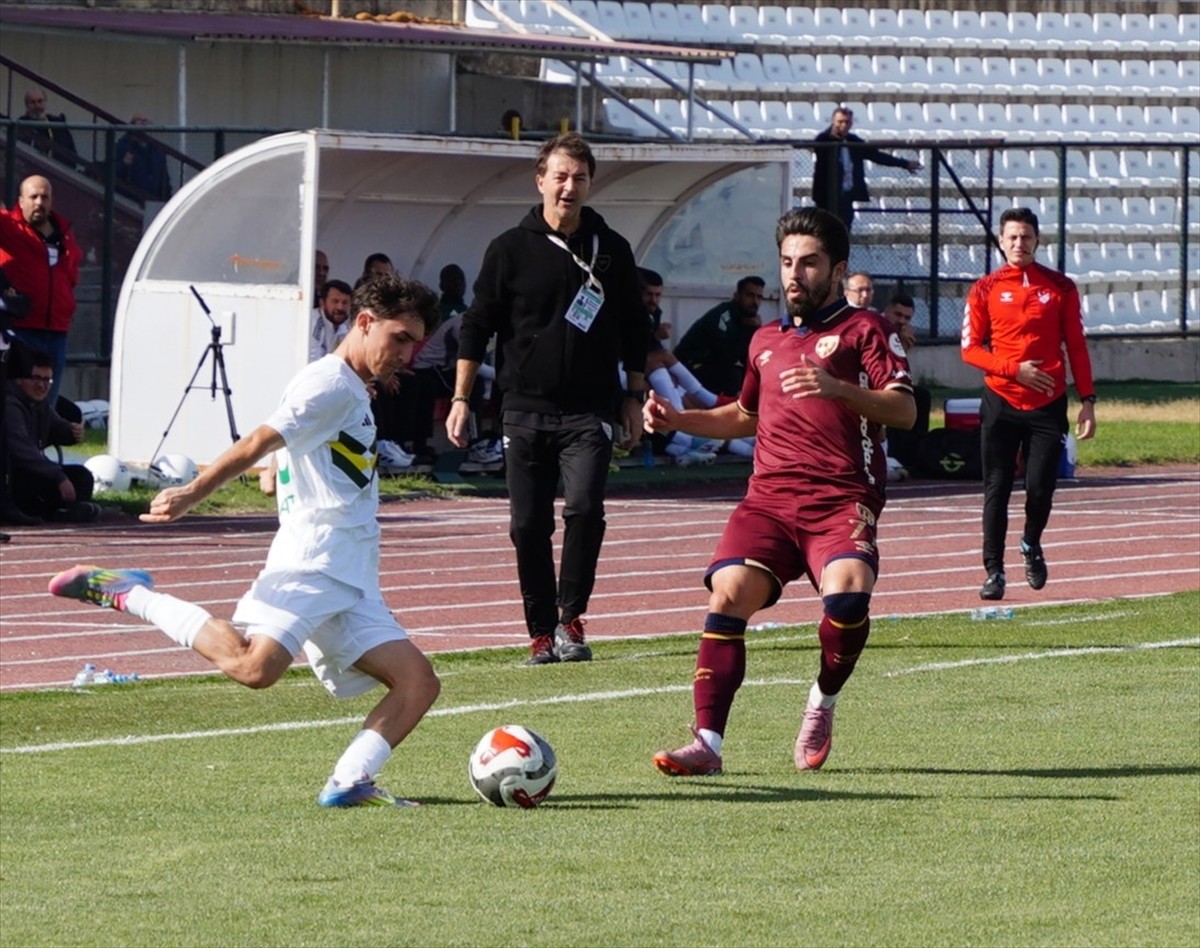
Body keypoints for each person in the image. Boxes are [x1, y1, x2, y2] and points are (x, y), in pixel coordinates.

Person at [49, 274, 443, 808]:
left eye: (414, 343)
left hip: (351, 571)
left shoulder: (348, 386)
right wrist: (191, 491)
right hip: (313, 560)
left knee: (417, 682)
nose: (407, 353)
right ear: (365, 322)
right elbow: (261, 439)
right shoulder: (328, 383)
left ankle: (349, 781)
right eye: (400, 338)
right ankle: (127, 593)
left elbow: (300, 451)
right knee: (254, 668)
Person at [645, 207, 916, 777]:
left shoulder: (866, 330)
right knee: (727, 594)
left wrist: (837, 388)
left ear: (837, 270)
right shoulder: (764, 340)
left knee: (847, 599)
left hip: (842, 498)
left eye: (810, 264)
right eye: (788, 263)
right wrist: (677, 420)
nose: (795, 275)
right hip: (767, 501)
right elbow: (744, 416)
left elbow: (906, 410)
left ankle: (822, 702)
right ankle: (708, 744)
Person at [447, 132, 647, 665]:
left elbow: (635, 329)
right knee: (527, 525)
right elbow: (477, 325)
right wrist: (461, 398)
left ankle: (571, 619)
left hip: (590, 409)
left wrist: (634, 396)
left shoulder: (613, 250)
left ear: (589, 184)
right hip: (523, 409)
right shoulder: (509, 249)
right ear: (540, 181)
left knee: (584, 509)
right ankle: (539, 630)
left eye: (579, 177)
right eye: (559, 176)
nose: (568, 187)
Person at [962, 207, 1097, 602]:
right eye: (1012, 237)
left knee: (1040, 489)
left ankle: (1031, 543)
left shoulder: (1060, 287)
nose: (1019, 243)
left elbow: (1076, 345)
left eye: (1026, 237)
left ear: (1037, 241)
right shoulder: (984, 288)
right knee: (996, 488)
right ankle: (993, 571)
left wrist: (1087, 400)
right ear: (1001, 242)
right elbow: (970, 350)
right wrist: (1012, 370)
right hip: (1001, 400)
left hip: (1048, 404)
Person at [0, 175, 82, 407]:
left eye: (44, 197)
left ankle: (38, 444)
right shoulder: (9, 227)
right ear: (21, 201)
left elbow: (71, 273)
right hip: (21, 330)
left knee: (46, 404)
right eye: (33, 196)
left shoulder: (65, 234)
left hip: (56, 332)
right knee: (17, 402)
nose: (39, 202)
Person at [5, 352, 98, 523]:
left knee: (82, 476)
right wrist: (58, 476)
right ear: (19, 379)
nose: (42, 385)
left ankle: (62, 510)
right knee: (39, 480)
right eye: (35, 378)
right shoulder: (10, 405)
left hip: (33, 470)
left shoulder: (40, 404)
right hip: (13, 475)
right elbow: (20, 449)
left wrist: (71, 432)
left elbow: (58, 427)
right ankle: (54, 511)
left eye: (47, 380)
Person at [812, 106, 921, 232]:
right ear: (833, 122)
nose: (843, 125)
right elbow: (820, 152)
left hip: (846, 196)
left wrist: (904, 164)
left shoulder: (853, 141)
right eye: (840, 122)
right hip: (827, 196)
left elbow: (876, 155)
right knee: (825, 231)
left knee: (844, 231)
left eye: (847, 122)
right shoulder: (823, 140)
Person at [673, 276, 765, 398]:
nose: (755, 302)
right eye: (750, 295)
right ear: (737, 296)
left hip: (711, 367)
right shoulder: (723, 315)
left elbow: (747, 358)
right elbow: (726, 356)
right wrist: (748, 330)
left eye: (759, 297)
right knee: (733, 374)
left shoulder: (746, 319)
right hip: (688, 368)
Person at [880, 291, 930, 472]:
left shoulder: (901, 335)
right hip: (869, 384)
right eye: (898, 315)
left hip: (890, 381)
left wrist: (903, 350)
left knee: (920, 397)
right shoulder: (874, 326)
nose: (902, 321)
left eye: (907, 318)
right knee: (897, 398)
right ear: (887, 311)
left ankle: (915, 455)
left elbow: (899, 371)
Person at [114, 114, 171, 202]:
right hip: (131, 199)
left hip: (154, 199)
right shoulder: (123, 146)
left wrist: (167, 199)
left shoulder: (157, 150)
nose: (144, 124)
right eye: (140, 121)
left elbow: (164, 178)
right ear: (132, 125)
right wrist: (124, 164)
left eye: (145, 121)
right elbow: (113, 172)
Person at [17, 88, 78, 166]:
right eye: (32, 102)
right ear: (27, 105)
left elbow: (70, 151)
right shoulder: (21, 125)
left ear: (45, 103)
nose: (37, 106)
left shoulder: (57, 124)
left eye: (40, 101)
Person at [308, 279, 353, 362]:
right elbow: (312, 362)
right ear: (322, 303)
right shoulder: (313, 323)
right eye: (335, 301)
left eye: (345, 302)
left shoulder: (347, 325)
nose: (340, 307)